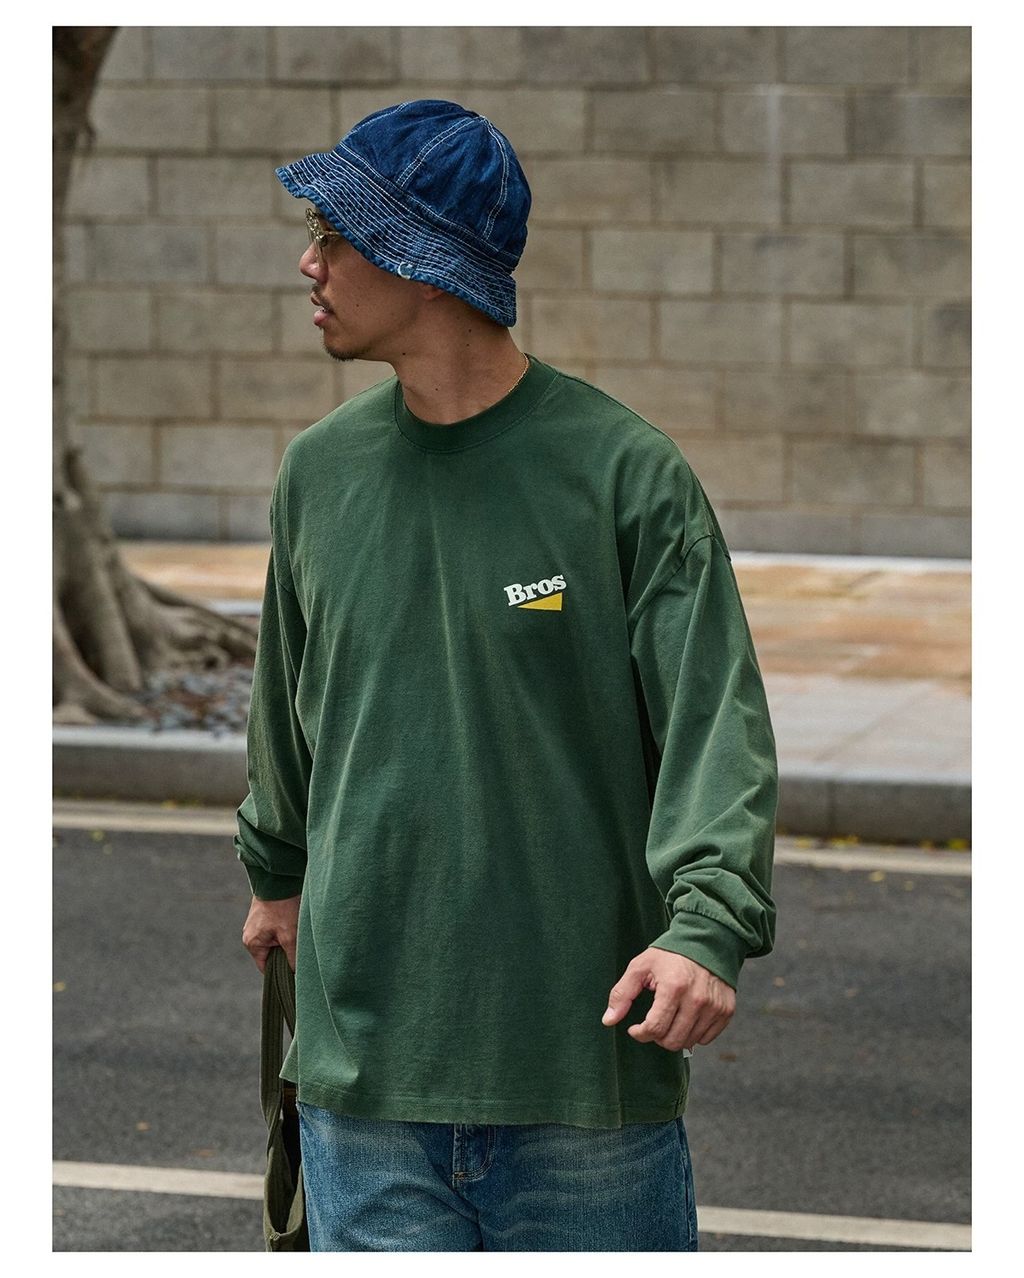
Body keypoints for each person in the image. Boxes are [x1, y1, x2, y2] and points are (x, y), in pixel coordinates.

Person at [234, 99, 778, 1253]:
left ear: (419, 262)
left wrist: (706, 927)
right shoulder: (317, 476)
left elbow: (711, 726)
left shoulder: (623, 474)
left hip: (582, 1086)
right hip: (361, 1092)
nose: (308, 262)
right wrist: (274, 875)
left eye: (333, 234)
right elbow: (287, 712)